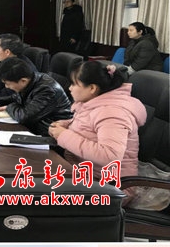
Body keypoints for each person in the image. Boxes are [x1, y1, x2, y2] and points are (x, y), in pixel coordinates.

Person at [48, 61, 146, 202]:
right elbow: (90, 126)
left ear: (92, 88)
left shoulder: (112, 112)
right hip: (86, 174)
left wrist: (64, 135)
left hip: (111, 186)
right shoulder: (94, 103)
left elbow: (109, 156)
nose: (70, 88)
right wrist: (66, 125)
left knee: (35, 195)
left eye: (74, 84)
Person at [0, 57, 73, 136]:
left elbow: (24, 117)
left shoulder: (46, 90)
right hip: (33, 129)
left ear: (23, 81)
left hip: (49, 135)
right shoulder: (30, 80)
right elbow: (15, 98)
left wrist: (9, 107)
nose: (6, 87)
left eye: (8, 84)